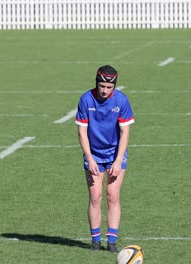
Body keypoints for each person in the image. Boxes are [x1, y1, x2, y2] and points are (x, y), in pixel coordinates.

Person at [75, 65, 135, 252]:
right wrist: (90, 158)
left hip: (115, 154)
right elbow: (82, 132)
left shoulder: (121, 101)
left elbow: (125, 132)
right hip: (93, 154)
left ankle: (111, 242)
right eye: (102, 86)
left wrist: (118, 161)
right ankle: (95, 241)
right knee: (95, 196)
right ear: (97, 83)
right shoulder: (86, 99)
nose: (105, 90)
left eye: (109, 88)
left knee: (112, 195)